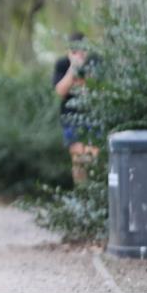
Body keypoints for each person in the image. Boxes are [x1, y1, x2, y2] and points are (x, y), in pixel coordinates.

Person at [53, 32, 99, 184]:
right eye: (75, 52)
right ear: (69, 52)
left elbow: (96, 89)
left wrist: (84, 72)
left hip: (94, 116)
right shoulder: (62, 64)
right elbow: (61, 90)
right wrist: (73, 69)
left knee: (94, 156)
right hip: (71, 117)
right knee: (79, 158)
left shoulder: (95, 62)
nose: (79, 55)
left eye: (82, 51)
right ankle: (82, 194)